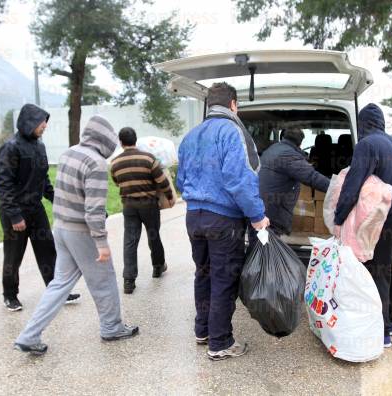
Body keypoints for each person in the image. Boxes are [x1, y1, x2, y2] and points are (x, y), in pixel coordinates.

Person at [14, 115, 138, 355]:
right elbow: (93, 210)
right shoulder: (97, 164)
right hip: (81, 232)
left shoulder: (69, 152)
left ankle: (29, 335)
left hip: (60, 228)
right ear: (105, 140)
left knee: (59, 284)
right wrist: (101, 243)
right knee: (104, 280)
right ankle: (112, 327)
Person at [177, 82, 270, 361]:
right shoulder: (233, 131)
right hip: (223, 220)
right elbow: (239, 179)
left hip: (194, 217)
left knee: (203, 273)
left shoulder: (191, 136)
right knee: (223, 279)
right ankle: (219, 343)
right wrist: (257, 216)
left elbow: (181, 180)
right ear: (233, 104)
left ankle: (203, 330)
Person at [333, 103, 392, 348]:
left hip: (383, 219)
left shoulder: (366, 145)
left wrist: (339, 217)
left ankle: (383, 333)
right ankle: (391, 321)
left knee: (378, 271)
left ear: (362, 123)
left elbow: (352, 186)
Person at [0, 103, 79, 312]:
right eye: (42, 122)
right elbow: (3, 185)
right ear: (29, 122)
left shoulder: (39, 146)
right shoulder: (11, 147)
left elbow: (44, 180)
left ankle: (56, 291)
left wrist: (58, 200)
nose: (45, 126)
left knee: (48, 250)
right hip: (15, 211)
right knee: (14, 255)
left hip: (35, 208)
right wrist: (14, 216)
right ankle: (10, 295)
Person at [110, 127, 175, 294]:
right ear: (135, 140)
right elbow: (161, 180)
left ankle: (129, 280)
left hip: (129, 206)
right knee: (153, 236)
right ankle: (158, 267)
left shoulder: (115, 163)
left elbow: (117, 183)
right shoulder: (148, 158)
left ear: (121, 142)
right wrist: (169, 195)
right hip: (149, 204)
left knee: (130, 241)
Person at [254, 127, 330, 243]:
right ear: (300, 143)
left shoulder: (272, 149)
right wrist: (338, 186)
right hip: (272, 213)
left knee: (259, 250)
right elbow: (312, 177)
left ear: (283, 137)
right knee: (269, 251)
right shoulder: (289, 155)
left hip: (259, 209)